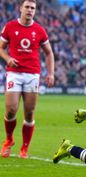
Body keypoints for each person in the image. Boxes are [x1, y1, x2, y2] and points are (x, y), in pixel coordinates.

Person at [0, 0, 55, 158]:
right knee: (11, 110)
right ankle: (9, 139)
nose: (30, 10)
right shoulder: (10, 26)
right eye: (27, 7)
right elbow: (1, 48)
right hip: (14, 73)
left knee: (29, 112)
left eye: (33, 8)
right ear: (21, 8)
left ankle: (24, 147)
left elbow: (49, 53)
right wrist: (8, 58)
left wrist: (50, 73)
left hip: (32, 74)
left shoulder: (39, 30)